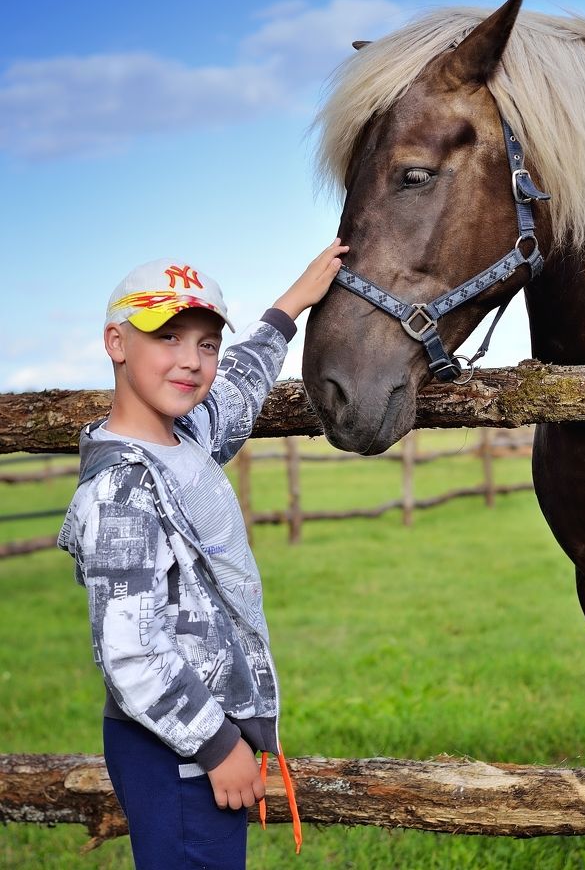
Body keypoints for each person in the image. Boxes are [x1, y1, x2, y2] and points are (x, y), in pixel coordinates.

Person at [58, 240, 348, 870]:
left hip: (191, 737)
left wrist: (291, 304)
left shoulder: (183, 439)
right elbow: (130, 649)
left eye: (207, 344)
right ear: (116, 343)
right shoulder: (123, 487)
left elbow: (239, 388)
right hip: (175, 744)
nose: (192, 362)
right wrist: (217, 747)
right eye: (168, 338)